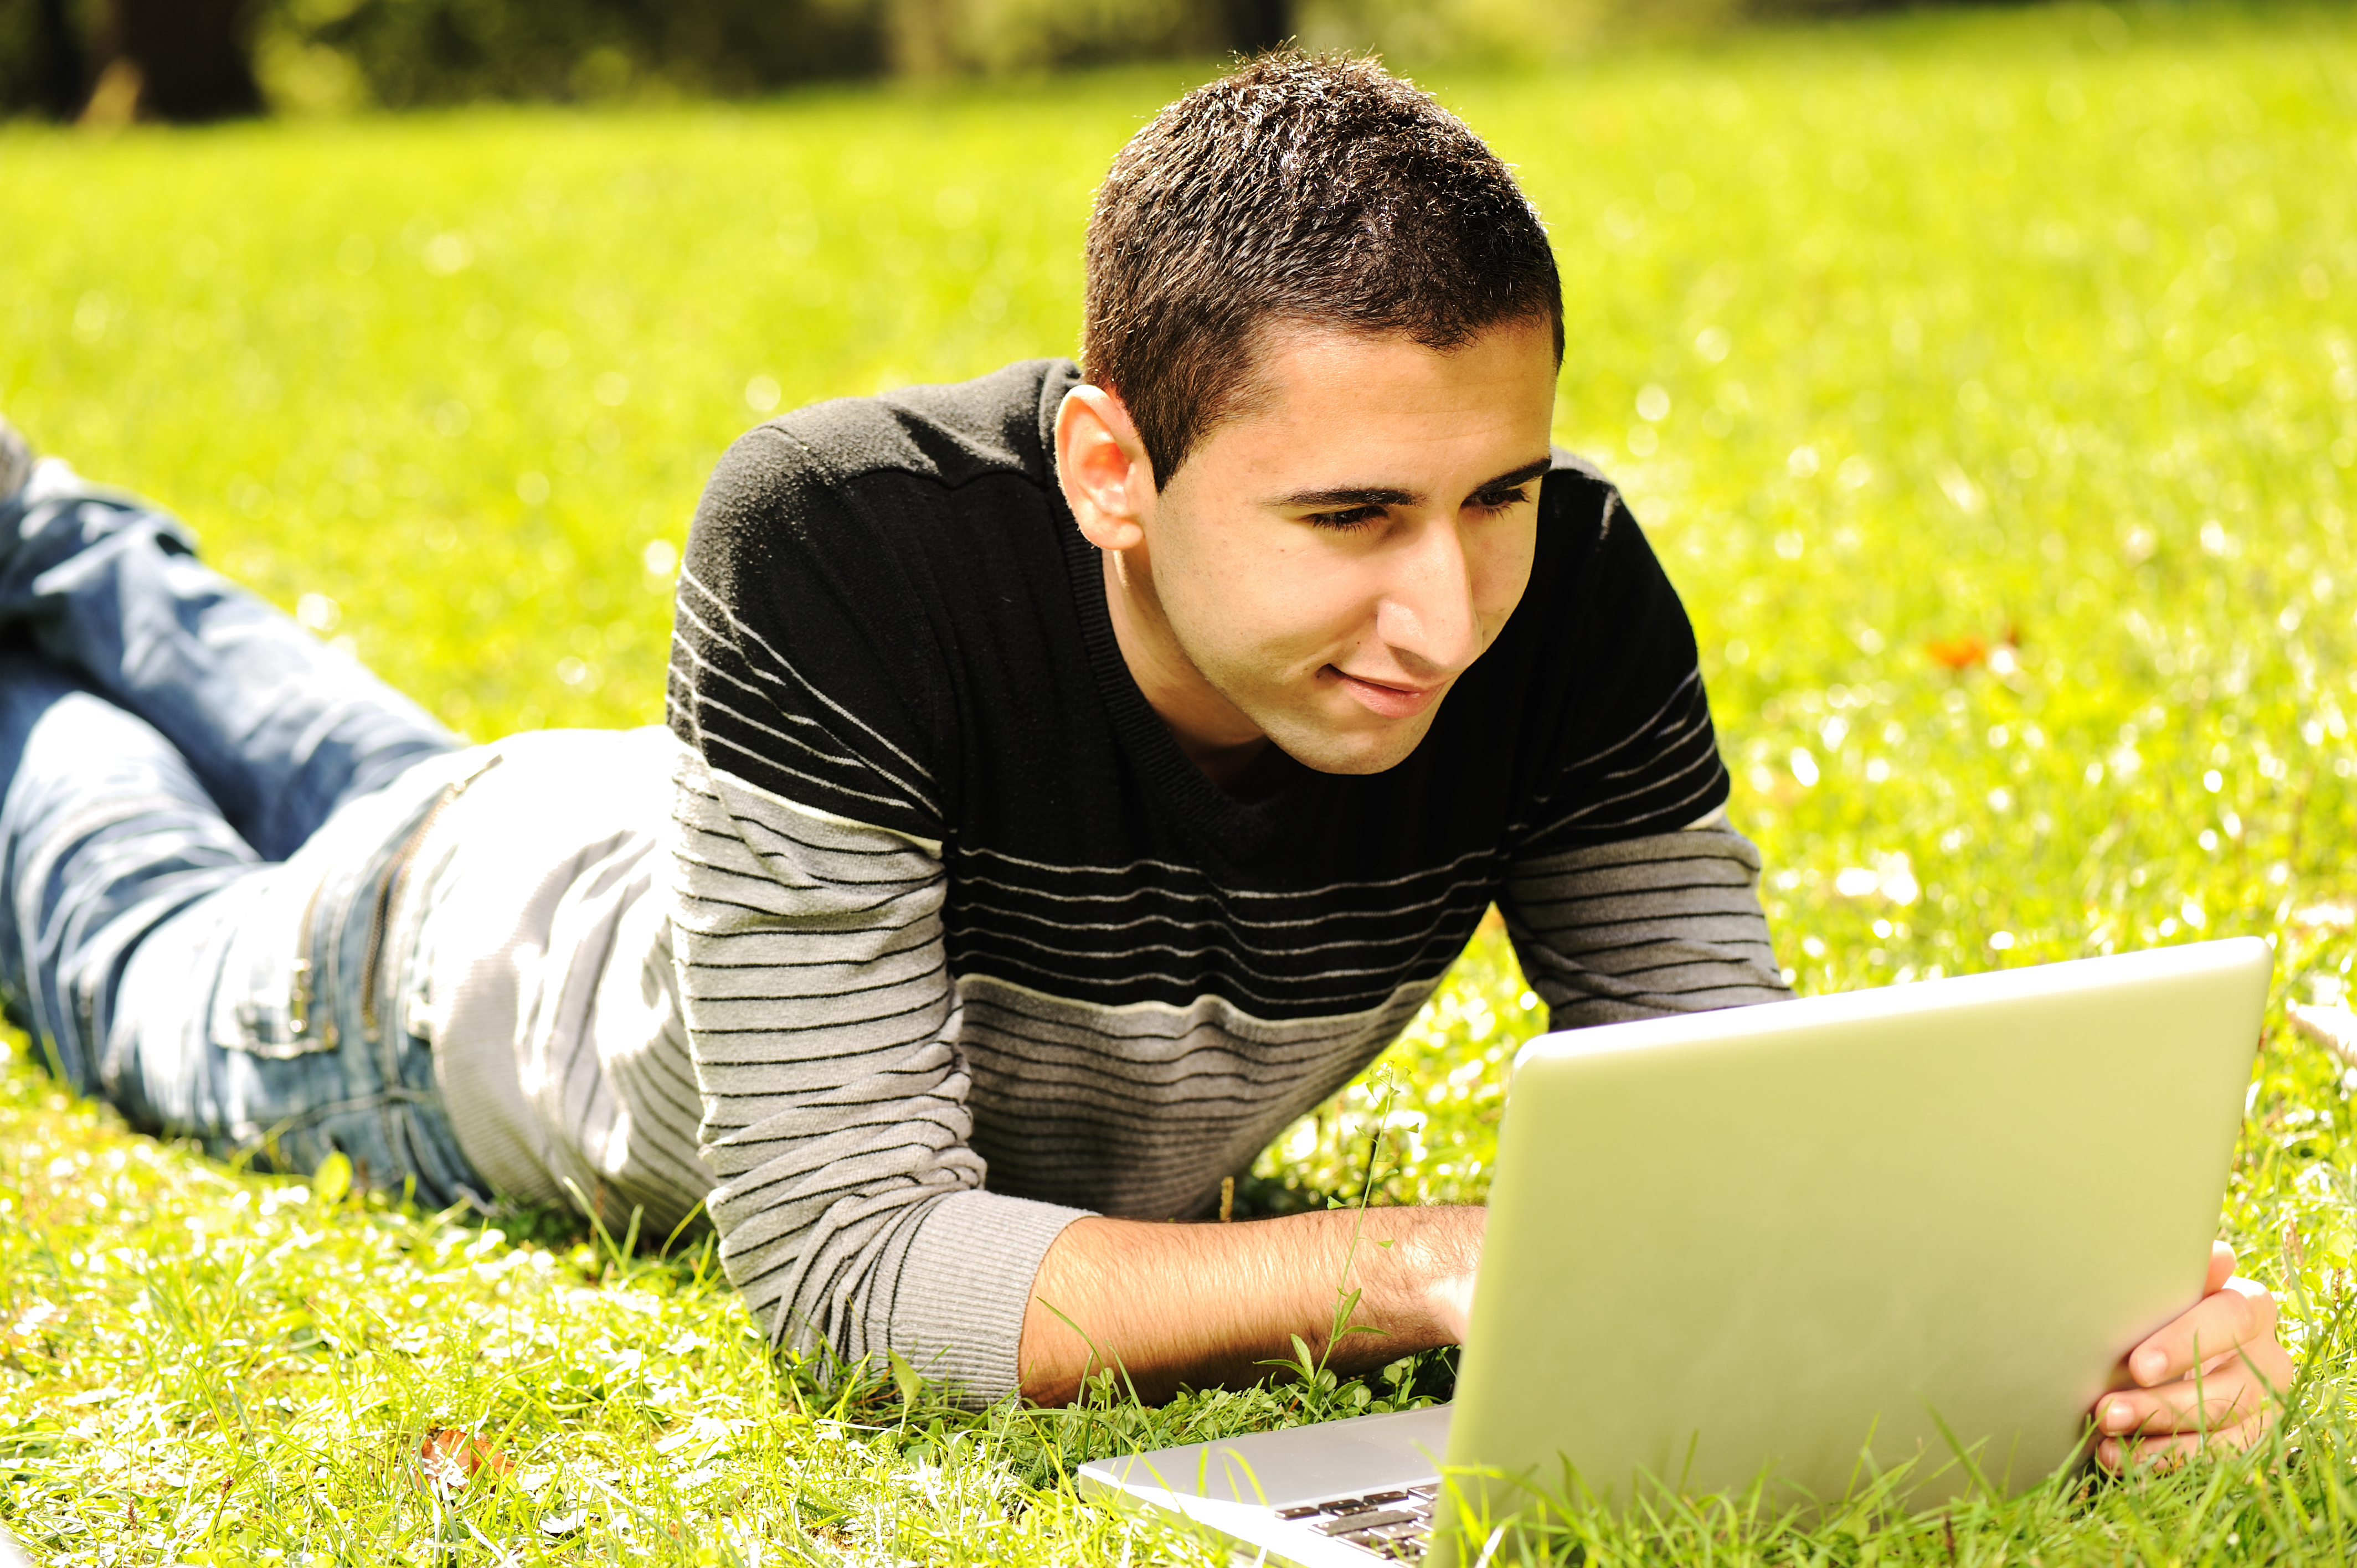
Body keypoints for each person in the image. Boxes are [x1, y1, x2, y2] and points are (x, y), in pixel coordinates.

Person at [0, 51, 2285, 1469]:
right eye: (1345, 519)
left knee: (159, 608)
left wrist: (2079, 1351)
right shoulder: (835, 544)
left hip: (646, 827)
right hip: (409, 993)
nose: (1444, 610)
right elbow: (852, 1273)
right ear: (1110, 464)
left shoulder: (1556, 593)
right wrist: (1398, 1264)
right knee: (70, 757)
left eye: (1489, 493)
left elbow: (1746, 1139)